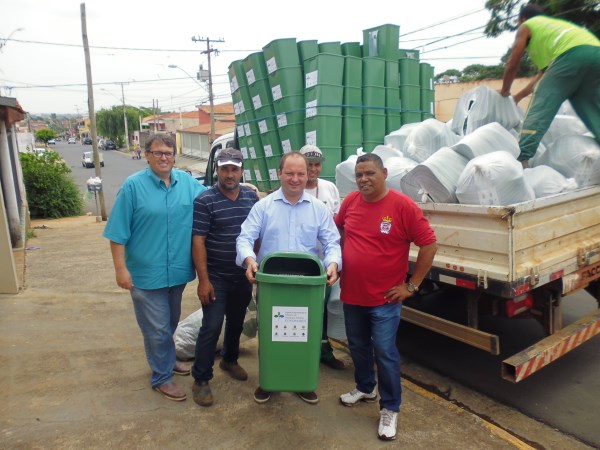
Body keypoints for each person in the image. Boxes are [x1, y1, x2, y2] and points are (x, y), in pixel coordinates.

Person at [335, 153, 437, 441]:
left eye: (369, 173)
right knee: (356, 345)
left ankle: (390, 407)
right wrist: (344, 257)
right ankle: (366, 387)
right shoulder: (350, 202)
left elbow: (429, 244)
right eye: (359, 175)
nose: (363, 179)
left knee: (385, 353)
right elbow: (340, 227)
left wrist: (412, 286)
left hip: (385, 300)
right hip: (352, 294)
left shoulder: (402, 206)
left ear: (384, 173)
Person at [103, 134, 206, 402]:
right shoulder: (133, 187)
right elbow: (117, 233)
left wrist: (246, 188)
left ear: (174, 155)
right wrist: (120, 269)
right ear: (146, 155)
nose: (164, 158)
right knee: (157, 329)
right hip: (145, 274)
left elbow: (212, 199)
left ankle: (167, 360)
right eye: (158, 153)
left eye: (168, 153)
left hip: (178, 272)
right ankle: (161, 377)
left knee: (170, 323)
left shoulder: (187, 183)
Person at [236, 151, 342, 405]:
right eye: (290, 173)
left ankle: (301, 381)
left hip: (306, 286)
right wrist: (249, 260)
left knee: (303, 334)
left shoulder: (318, 209)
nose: (295, 179)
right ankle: (269, 381)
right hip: (273, 284)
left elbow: (332, 242)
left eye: (301, 173)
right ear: (279, 174)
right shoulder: (264, 206)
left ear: (308, 175)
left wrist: (334, 264)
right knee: (272, 334)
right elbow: (245, 238)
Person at [190, 148, 259, 407]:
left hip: (242, 276)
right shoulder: (205, 200)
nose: (229, 174)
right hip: (216, 276)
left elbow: (257, 232)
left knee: (237, 322)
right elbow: (198, 240)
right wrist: (203, 280)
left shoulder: (251, 197)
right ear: (217, 170)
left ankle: (229, 360)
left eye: (234, 169)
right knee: (211, 325)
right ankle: (201, 377)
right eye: (224, 169)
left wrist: (256, 264)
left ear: (242, 171)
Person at [500, 3, 600, 166]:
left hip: (572, 54)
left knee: (542, 102)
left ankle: (522, 156)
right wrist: (516, 97)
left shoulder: (526, 26)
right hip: (595, 53)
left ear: (522, 19)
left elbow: (513, 61)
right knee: (591, 107)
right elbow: (541, 78)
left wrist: (505, 90)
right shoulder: (551, 29)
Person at [299, 144, 344, 371]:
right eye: (308, 165)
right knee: (302, 309)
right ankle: (302, 352)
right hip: (302, 262)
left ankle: (325, 351)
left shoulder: (330, 188)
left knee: (324, 308)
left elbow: (338, 225)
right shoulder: (294, 188)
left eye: (316, 164)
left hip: (325, 263)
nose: (313, 169)